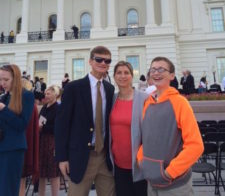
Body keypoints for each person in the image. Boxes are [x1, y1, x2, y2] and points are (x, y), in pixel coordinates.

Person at [137, 57, 204, 196]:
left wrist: (169, 172)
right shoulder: (147, 103)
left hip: (175, 185)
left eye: (161, 69)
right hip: (151, 181)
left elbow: (196, 146)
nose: (156, 73)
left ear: (172, 76)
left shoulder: (180, 103)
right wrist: (142, 161)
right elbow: (146, 138)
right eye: (153, 69)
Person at [55, 46, 115, 196]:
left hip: (104, 158)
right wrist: (62, 158)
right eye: (99, 59)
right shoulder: (73, 88)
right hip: (81, 157)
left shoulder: (109, 88)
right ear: (90, 61)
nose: (103, 63)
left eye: (107, 60)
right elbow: (62, 125)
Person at [110, 61, 148, 196]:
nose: (122, 76)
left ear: (132, 76)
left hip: (140, 166)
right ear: (114, 77)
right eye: (119, 73)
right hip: (118, 165)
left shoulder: (144, 98)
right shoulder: (112, 99)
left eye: (126, 73)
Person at [0, 64, 34, 196]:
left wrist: (4, 109)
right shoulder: (4, 97)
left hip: (13, 149)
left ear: (16, 78)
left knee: (7, 190)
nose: (2, 83)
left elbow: (22, 125)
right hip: (3, 147)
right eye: (0, 79)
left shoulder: (26, 96)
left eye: (6, 80)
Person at [39, 85, 61, 196]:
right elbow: (40, 120)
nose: (46, 95)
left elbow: (58, 128)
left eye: (48, 93)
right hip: (42, 142)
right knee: (41, 172)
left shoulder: (58, 108)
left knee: (54, 173)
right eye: (46, 93)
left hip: (52, 142)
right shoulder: (44, 107)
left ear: (55, 94)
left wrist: (43, 127)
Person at [19, 78, 39, 196]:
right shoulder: (32, 104)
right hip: (27, 145)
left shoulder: (23, 102)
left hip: (18, 145)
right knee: (20, 180)